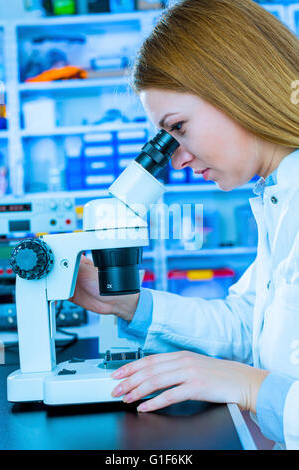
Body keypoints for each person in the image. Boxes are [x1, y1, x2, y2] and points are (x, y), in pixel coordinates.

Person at [69, 0, 299, 449]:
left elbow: (255, 368)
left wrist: (253, 388)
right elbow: (247, 326)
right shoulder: (278, 197)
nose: (177, 157)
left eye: (178, 127)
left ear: (238, 88)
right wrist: (126, 303)